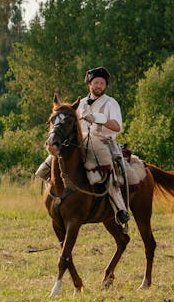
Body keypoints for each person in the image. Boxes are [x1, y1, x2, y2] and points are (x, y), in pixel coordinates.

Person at [36, 67, 130, 227]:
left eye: (102, 83)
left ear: (106, 86)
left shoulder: (111, 103)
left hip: (102, 141)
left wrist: (99, 119)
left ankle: (120, 208)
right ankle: (54, 193)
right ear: (89, 84)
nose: (99, 86)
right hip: (80, 141)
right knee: (49, 163)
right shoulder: (81, 103)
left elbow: (117, 127)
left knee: (107, 168)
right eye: (96, 83)